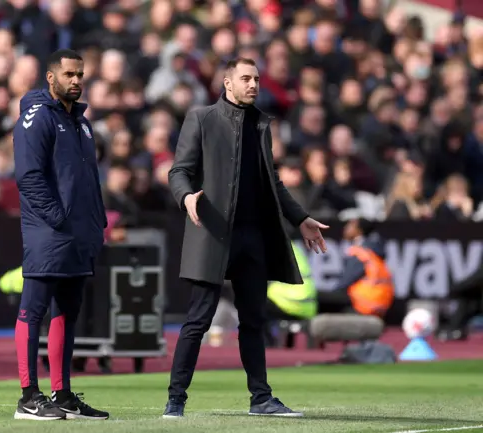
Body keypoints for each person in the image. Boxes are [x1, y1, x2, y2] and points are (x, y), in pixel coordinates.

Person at [165, 57, 329, 419]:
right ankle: (175, 399)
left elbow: (273, 181)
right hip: (213, 233)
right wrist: (186, 196)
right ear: (227, 83)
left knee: (254, 321)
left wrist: (300, 218)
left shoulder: (261, 124)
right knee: (198, 319)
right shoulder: (201, 118)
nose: (254, 84)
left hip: (253, 237)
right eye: (246, 79)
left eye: (256, 78)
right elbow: (179, 171)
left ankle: (261, 398)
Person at [12, 49, 109, 421]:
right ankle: (27, 396)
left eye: (81, 74)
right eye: (69, 74)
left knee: (67, 313)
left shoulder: (81, 122)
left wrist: (95, 222)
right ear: (50, 77)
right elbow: (29, 176)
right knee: (33, 310)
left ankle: (63, 393)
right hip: (48, 232)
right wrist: (58, 218)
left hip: (77, 234)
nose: (77, 80)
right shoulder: (37, 117)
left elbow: (90, 180)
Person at [318, 218, 394, 317]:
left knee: (320, 298)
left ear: (359, 230)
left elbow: (346, 281)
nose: (345, 228)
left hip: (364, 302)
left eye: (350, 225)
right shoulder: (373, 249)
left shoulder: (360, 252)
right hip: (380, 302)